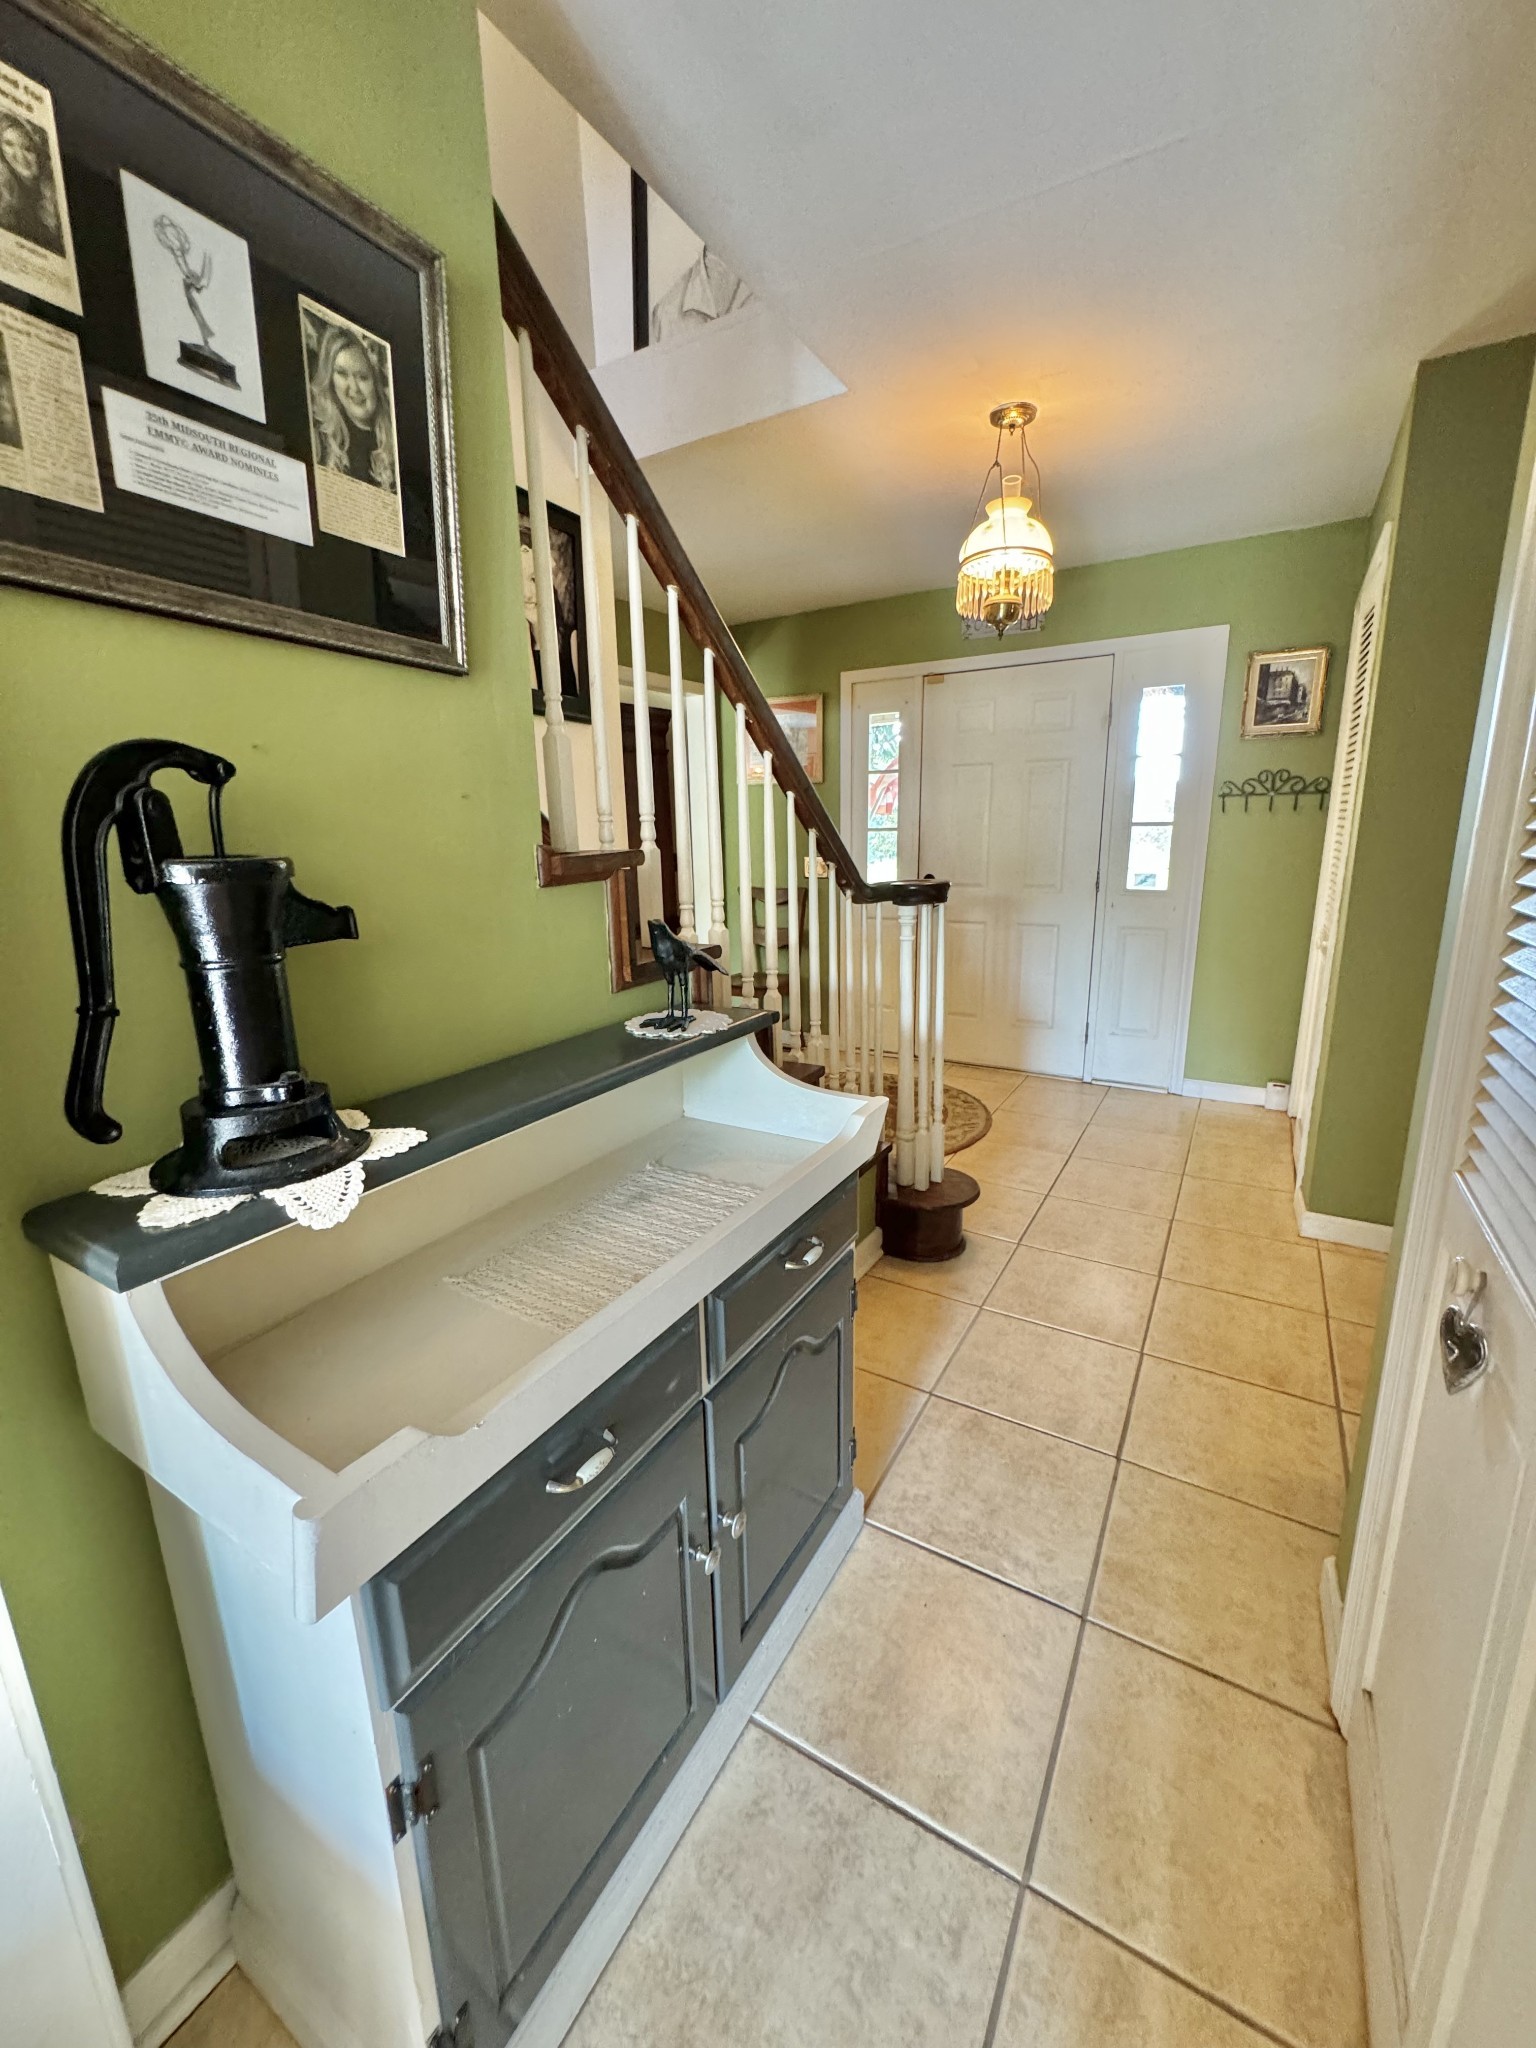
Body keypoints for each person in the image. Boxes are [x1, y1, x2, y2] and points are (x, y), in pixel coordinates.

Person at [307, 319, 396, 490]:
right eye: (341, 373)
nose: (354, 389)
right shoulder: (321, 440)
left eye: (362, 377)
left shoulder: (394, 438)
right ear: (329, 379)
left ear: (375, 383)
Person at [0, 112, 64, 255]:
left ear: (40, 153)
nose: (19, 156)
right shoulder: (4, 187)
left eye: (27, 148)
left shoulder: (54, 193)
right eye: (8, 144)